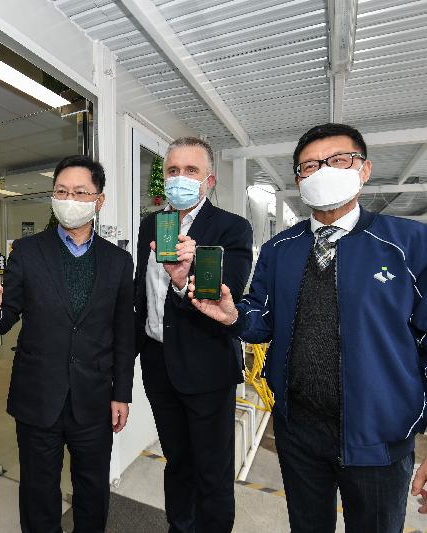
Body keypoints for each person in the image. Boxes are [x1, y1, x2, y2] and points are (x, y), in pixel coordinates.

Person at [190, 123, 427, 532]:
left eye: (338, 160)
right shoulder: (280, 249)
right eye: (309, 166)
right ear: (299, 180)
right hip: (298, 432)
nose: (322, 171)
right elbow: (263, 318)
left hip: (379, 439)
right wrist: (235, 316)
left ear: (363, 170)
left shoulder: (416, 246)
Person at [0, 155, 135, 533]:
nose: (68, 198)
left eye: (79, 192)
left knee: (92, 491)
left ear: (98, 200)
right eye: (61, 191)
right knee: (38, 491)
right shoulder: (27, 251)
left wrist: (121, 393)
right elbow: (9, 313)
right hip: (38, 396)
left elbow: (124, 333)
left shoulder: (119, 262)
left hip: (94, 398)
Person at [134, 137, 253, 532]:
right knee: (178, 461)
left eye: (191, 171)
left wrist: (186, 279)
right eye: (172, 171)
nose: (180, 178)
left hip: (206, 368)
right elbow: (142, 292)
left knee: (212, 470)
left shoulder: (232, 228)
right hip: (157, 363)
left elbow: (226, 297)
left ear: (210, 180)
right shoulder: (150, 225)